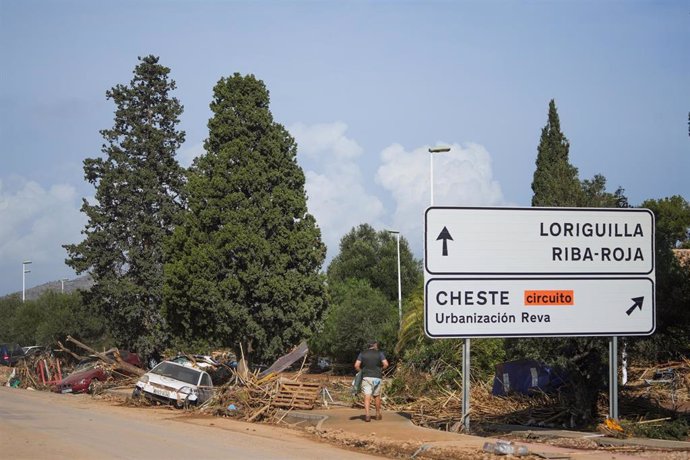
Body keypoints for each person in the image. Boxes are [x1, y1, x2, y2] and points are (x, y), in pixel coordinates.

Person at [354, 339, 389, 422]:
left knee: (367, 396)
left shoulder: (362, 354)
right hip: (377, 377)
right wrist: (381, 370)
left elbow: (356, 365)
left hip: (366, 377)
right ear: (374, 345)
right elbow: (386, 364)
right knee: (376, 396)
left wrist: (361, 371)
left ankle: (367, 415)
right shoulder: (380, 353)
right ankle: (377, 414)